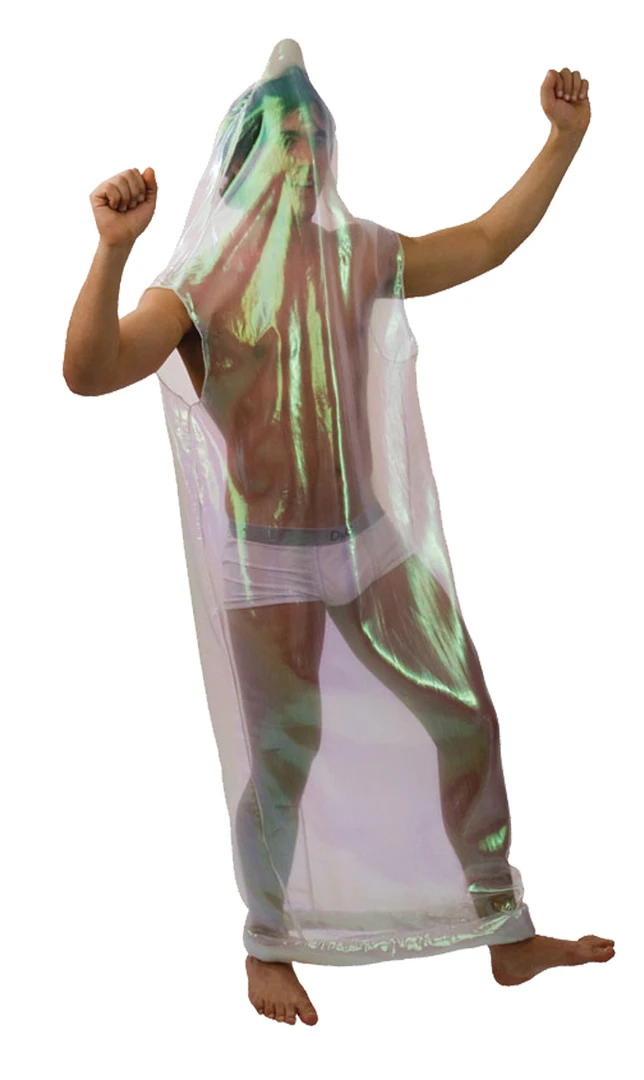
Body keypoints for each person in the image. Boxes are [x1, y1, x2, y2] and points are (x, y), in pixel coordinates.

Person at [63, 43, 614, 1026]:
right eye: (287, 136)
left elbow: (486, 240)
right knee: (285, 753)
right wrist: (111, 252)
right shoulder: (192, 288)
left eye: (318, 134)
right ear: (241, 160)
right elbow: (90, 371)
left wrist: (561, 144)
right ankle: (267, 942)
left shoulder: (356, 255)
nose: (308, 152)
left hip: (367, 543)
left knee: (464, 715)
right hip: (269, 564)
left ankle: (506, 929)